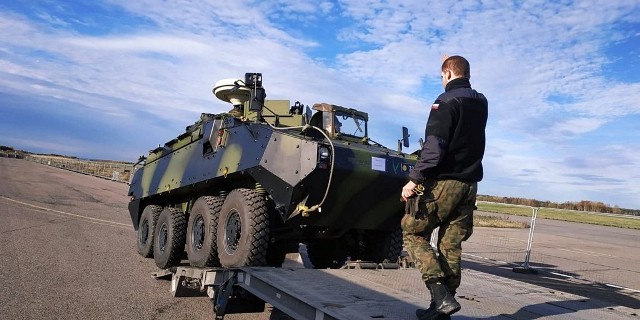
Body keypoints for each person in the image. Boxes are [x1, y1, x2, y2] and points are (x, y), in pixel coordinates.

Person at [400, 55, 488, 320]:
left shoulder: (445, 101)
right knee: (451, 246)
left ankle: (439, 295)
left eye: (442, 76)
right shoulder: (481, 102)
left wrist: (414, 179)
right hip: (469, 185)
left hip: (445, 183)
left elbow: (434, 145)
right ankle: (442, 311)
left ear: (448, 73)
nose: (441, 80)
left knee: (413, 233)